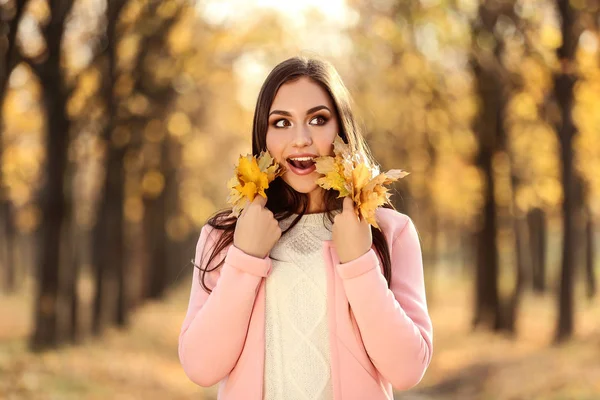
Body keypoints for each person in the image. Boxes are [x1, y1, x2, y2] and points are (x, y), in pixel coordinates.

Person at [178, 56, 433, 400]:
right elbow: (200, 367)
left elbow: (407, 370)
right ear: (263, 135)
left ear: (340, 129)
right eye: (281, 122)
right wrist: (245, 258)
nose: (300, 139)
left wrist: (358, 263)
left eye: (318, 119)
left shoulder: (388, 231)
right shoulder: (225, 235)